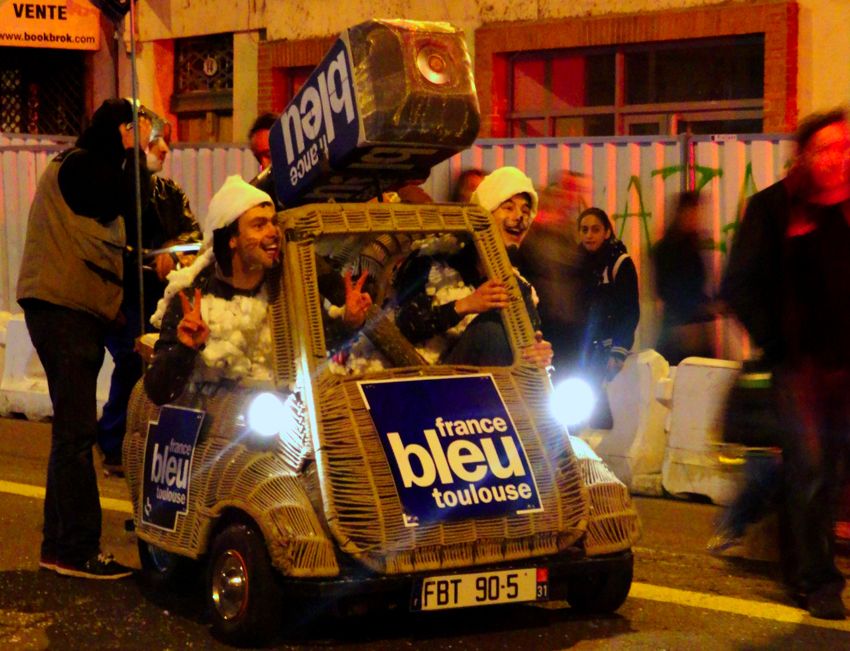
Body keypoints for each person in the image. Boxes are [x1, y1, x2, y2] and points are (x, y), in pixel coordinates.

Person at [721, 108, 850, 620]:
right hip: (800, 368)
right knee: (812, 468)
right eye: (826, 150)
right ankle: (814, 580)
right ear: (804, 155)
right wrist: (776, 340)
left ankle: (799, 555)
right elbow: (739, 284)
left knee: (834, 472)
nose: (837, 160)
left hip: (846, 365)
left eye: (844, 149)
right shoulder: (775, 209)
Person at [17, 98, 152, 579]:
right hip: (63, 313)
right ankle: (77, 550)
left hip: (66, 311)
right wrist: (136, 154)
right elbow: (124, 197)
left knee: (70, 435)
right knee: (77, 435)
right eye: (140, 130)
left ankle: (58, 547)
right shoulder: (83, 169)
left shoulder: (80, 169)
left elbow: (112, 237)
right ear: (121, 130)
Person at [144, 175, 372, 405]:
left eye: (273, 222)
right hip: (218, 431)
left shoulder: (289, 292)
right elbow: (157, 392)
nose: (274, 231)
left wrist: (349, 322)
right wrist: (185, 348)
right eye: (259, 225)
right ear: (231, 238)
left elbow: (320, 353)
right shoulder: (193, 301)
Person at [97, 121, 200, 473]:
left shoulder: (169, 192)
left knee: (159, 363)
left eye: (166, 143)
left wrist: (172, 251)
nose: (165, 150)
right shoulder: (114, 192)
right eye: (155, 142)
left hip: (160, 301)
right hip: (120, 295)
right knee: (130, 360)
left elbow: (193, 234)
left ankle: (149, 445)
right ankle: (113, 443)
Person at [395, 166, 552, 369]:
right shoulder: (433, 261)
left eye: (525, 210)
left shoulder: (519, 286)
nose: (519, 217)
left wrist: (538, 354)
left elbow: (531, 339)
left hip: (502, 388)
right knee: (490, 331)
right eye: (508, 207)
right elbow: (402, 326)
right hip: (432, 381)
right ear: (484, 214)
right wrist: (465, 305)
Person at [518, 171, 588, 376]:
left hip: (569, 327)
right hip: (543, 323)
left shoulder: (569, 233)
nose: (569, 199)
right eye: (566, 192)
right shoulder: (535, 229)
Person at [576, 207, 640, 428]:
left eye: (595, 229)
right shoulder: (576, 263)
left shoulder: (619, 263)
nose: (589, 235)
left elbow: (630, 309)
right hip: (580, 352)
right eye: (584, 230)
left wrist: (619, 349)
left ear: (607, 232)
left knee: (599, 414)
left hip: (606, 352)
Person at [652, 191, 718, 365]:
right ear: (681, 213)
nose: (696, 218)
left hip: (691, 327)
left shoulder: (693, 245)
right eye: (693, 212)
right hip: (680, 330)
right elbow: (666, 289)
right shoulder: (668, 249)